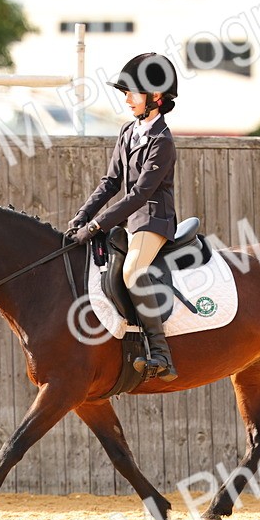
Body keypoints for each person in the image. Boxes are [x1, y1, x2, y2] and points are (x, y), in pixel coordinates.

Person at [67, 52, 180, 381]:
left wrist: (98, 224)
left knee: (132, 271)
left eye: (133, 92)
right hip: (131, 220)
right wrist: (81, 218)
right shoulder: (128, 132)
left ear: (155, 97)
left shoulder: (163, 141)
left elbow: (140, 194)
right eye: (126, 92)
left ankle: (160, 353)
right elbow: (110, 182)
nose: (127, 99)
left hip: (153, 220)